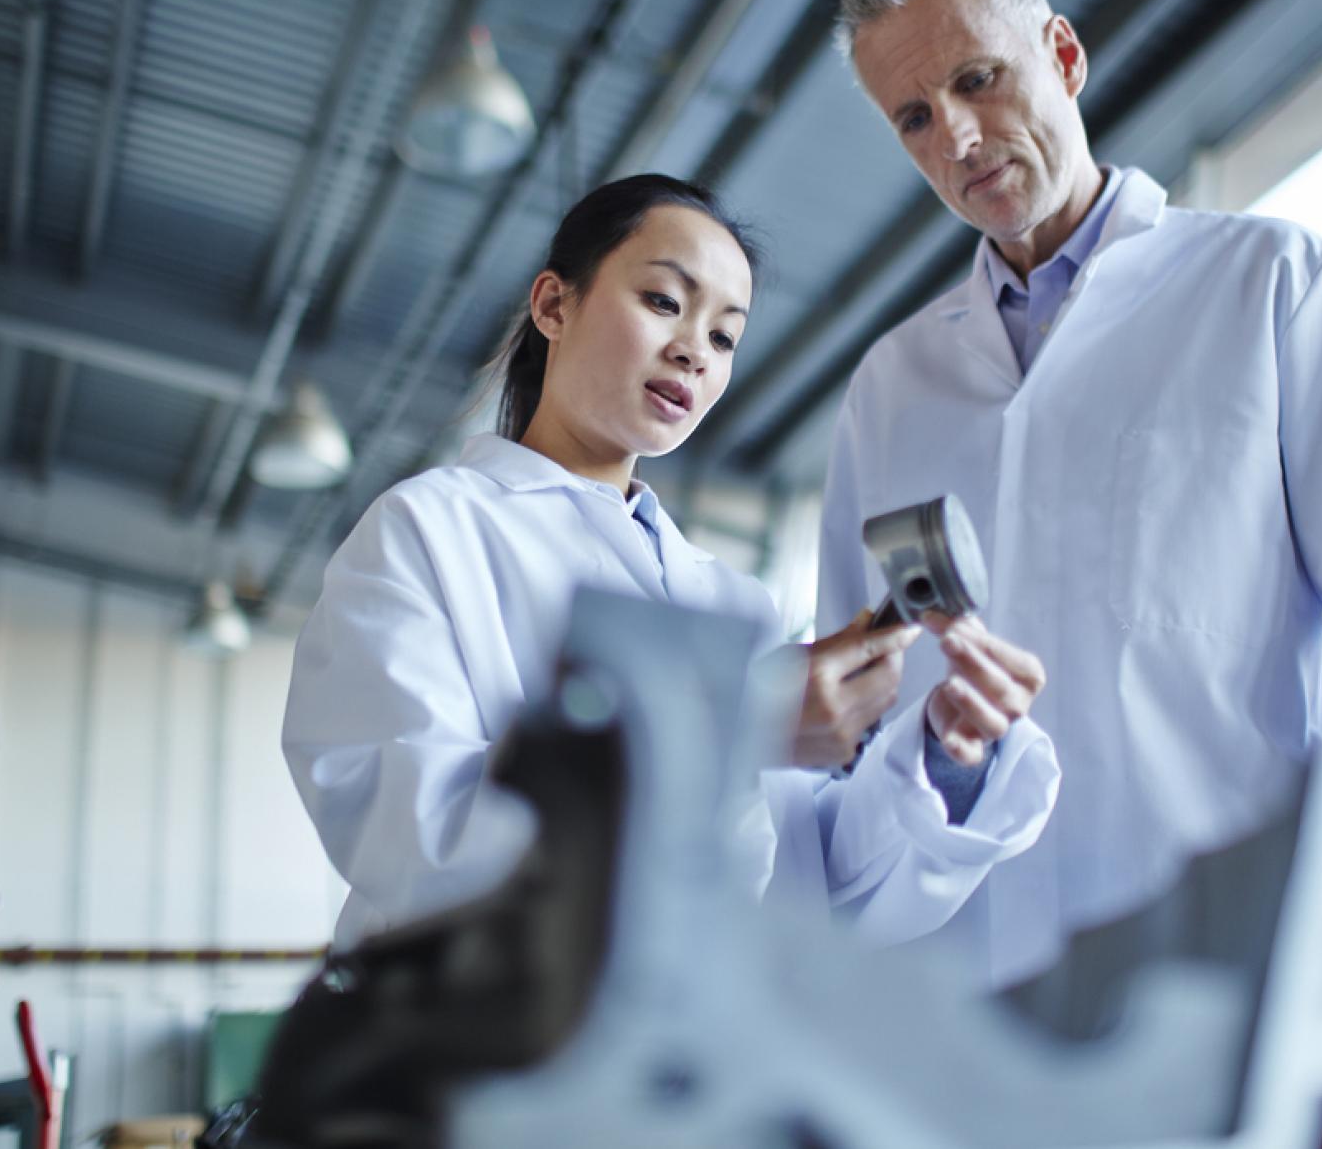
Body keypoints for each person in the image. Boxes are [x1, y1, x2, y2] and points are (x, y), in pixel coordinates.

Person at [817, 0, 1322, 987]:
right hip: (957, 1000)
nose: (954, 136)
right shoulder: (891, 386)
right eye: (913, 116)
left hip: (1224, 973)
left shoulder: (1275, 289)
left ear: (1063, 55)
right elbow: (851, 717)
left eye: (977, 79)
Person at [283, 173, 1059, 955]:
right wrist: (730, 729)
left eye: (724, 337)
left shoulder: (732, 601)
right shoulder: (432, 529)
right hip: (486, 1051)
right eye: (663, 302)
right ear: (554, 305)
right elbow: (411, 834)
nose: (693, 350)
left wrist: (947, 760)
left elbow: (803, 883)